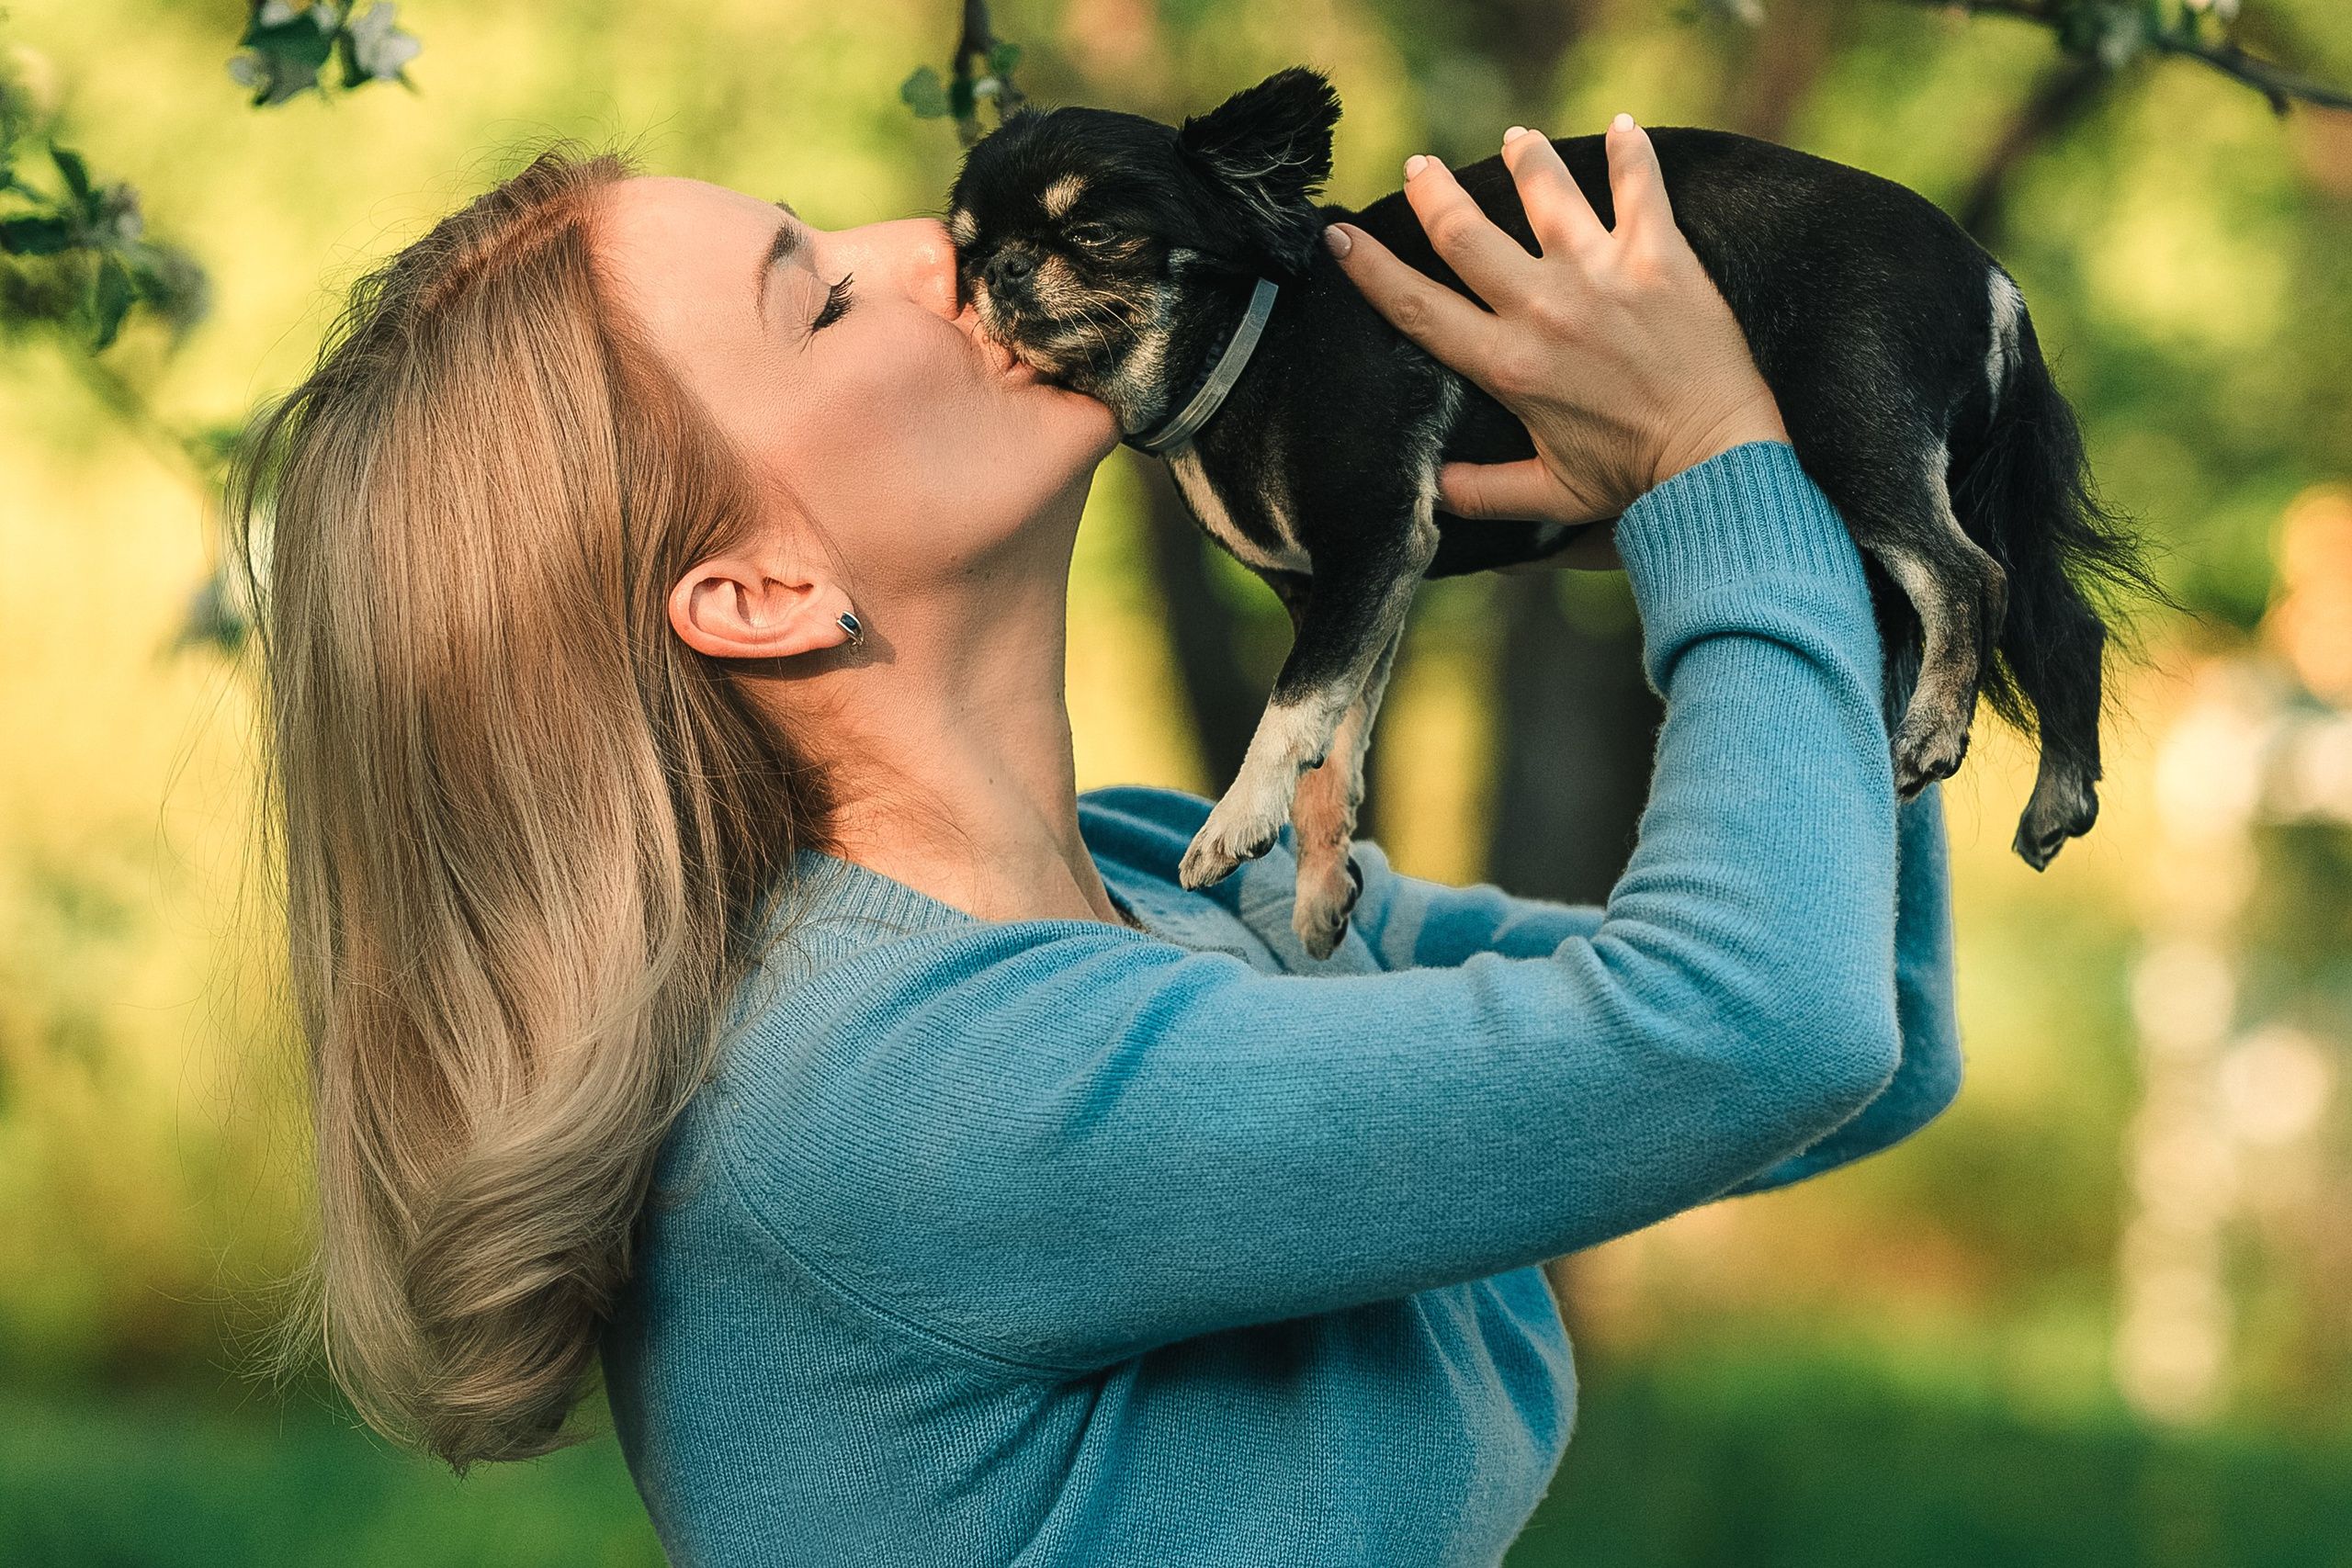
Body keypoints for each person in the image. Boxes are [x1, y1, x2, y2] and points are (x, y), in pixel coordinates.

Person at [243, 115, 1959, 1565]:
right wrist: (1713, 477)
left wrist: (1836, 556)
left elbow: (1863, 1047)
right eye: (823, 299)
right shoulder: (905, 1091)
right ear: (762, 592)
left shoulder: (1158, 885)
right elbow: (1751, 1024)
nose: (931, 243)